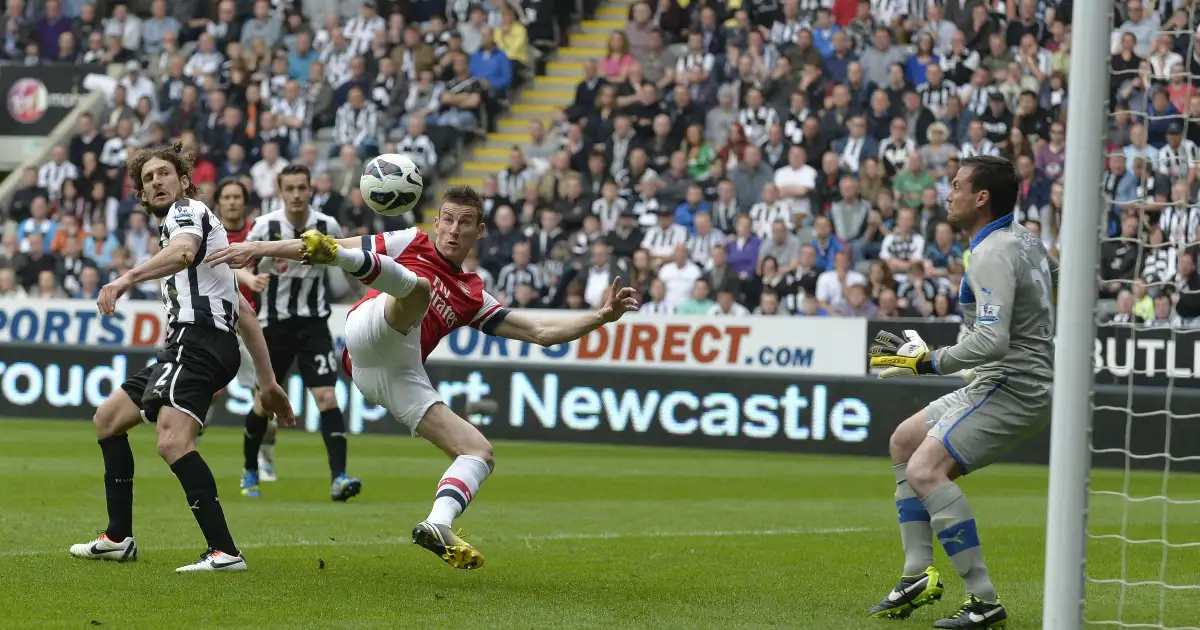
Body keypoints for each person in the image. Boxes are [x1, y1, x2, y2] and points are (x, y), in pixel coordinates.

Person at [205, 185, 640, 570]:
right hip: (368, 327)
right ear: (435, 222)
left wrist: (601, 317)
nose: (453, 230)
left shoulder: (473, 294)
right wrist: (259, 248)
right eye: (447, 220)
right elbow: (323, 244)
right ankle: (353, 265)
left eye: (464, 223)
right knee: (417, 288)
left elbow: (541, 333)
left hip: (394, 371)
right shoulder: (410, 239)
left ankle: (437, 524)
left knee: (479, 452)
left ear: (479, 231)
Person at [69, 142, 296, 572]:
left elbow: (185, 250)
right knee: (108, 418)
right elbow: (244, 311)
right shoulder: (201, 237)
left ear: (184, 181)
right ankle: (118, 537)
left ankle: (224, 551)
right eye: (148, 178)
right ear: (140, 194)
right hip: (191, 343)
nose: (157, 181)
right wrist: (267, 384)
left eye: (164, 174)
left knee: (173, 441)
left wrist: (126, 278)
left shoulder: (186, 214)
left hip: (200, 340)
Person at [866, 155, 1056, 628]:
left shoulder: (991, 253)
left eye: (955, 185)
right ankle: (916, 573)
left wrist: (930, 361)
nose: (948, 194)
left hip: (1013, 385)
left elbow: (993, 340)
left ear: (981, 197)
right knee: (904, 441)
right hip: (1005, 379)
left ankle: (983, 600)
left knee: (925, 469)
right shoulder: (1026, 240)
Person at [236, 164, 359, 501]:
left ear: (310, 190)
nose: (296, 195)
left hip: (313, 325)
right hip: (272, 326)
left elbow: (348, 262)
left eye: (301, 188)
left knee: (327, 397)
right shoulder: (264, 226)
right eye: (289, 188)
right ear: (279, 190)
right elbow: (239, 265)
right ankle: (249, 469)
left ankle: (339, 478)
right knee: (265, 404)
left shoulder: (327, 226)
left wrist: (363, 295)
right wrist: (251, 280)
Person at [215, 178, 280, 483]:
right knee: (209, 392)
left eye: (236, 197)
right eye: (226, 197)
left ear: (245, 202)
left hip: (257, 323)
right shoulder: (210, 234)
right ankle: (190, 445)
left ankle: (265, 460)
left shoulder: (257, 233)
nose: (231, 202)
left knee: (266, 396)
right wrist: (247, 279)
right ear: (219, 203)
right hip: (219, 322)